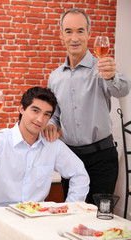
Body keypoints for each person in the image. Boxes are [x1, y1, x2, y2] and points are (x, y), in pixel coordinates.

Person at [42, 8, 131, 204]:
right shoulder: (55, 77)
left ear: (89, 34)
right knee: (72, 214)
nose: (74, 37)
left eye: (80, 31)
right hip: (69, 158)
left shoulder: (102, 68)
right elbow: (55, 115)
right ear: (61, 35)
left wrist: (112, 76)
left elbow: (122, 89)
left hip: (102, 158)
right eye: (69, 31)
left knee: (99, 217)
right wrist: (51, 124)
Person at [0, 86, 89, 208]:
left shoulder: (52, 145)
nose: (40, 119)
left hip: (34, 218)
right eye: (35, 111)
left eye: (46, 114)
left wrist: (69, 208)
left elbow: (79, 173)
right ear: (22, 108)